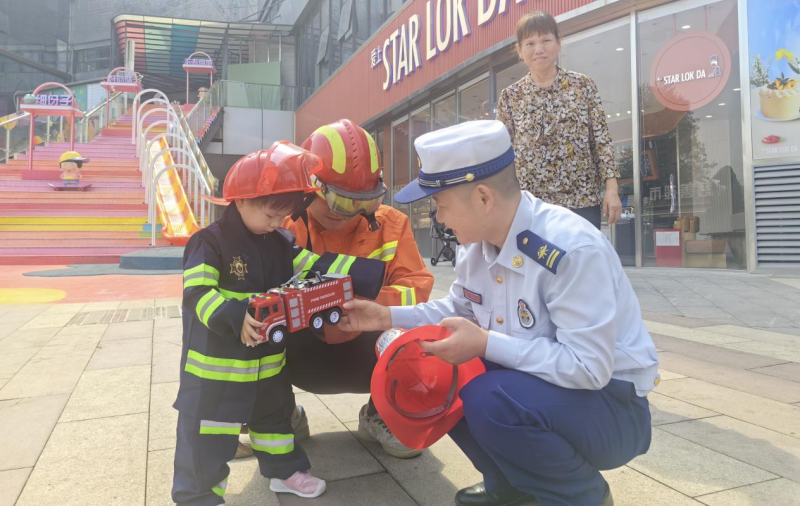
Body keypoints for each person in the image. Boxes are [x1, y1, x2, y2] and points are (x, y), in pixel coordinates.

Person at [339, 120, 659, 506]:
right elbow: (459, 307)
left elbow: (588, 368)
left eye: (440, 205)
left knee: (487, 396)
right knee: (446, 378)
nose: (439, 219)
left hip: (612, 408)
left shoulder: (568, 250)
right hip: (549, 389)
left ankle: (580, 496)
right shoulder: (476, 245)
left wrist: (486, 343)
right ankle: (509, 485)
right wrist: (385, 317)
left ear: (483, 198)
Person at [172, 142, 386, 504]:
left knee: (274, 422)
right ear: (241, 201)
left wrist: (364, 275)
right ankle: (197, 495)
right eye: (270, 215)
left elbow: (313, 265)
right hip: (217, 373)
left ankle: (284, 473)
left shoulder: (278, 240)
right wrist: (236, 313)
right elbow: (197, 294)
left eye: (281, 215)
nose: (276, 223)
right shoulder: (208, 244)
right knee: (208, 436)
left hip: (268, 364)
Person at [283, 119, 434, 459]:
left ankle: (383, 415)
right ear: (310, 187)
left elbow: (417, 292)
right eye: (339, 201)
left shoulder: (392, 224)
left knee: (418, 326)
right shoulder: (283, 224)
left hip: (369, 348)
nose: (349, 213)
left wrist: (362, 306)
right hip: (300, 351)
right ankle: (278, 415)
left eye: (359, 201)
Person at [496, 10, 622, 230]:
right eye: (530, 43)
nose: (539, 49)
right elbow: (503, 154)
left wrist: (611, 190)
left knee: (582, 263)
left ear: (558, 43)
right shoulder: (511, 96)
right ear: (519, 50)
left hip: (581, 201)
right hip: (532, 206)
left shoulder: (583, 86)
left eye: (546, 40)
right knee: (538, 264)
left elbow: (602, 143)